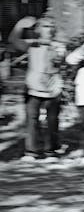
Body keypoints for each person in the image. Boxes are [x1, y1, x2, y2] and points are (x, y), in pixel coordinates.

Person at [9, 15, 65, 160]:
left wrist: (53, 50)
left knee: (52, 121)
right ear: (38, 29)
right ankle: (31, 151)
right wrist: (20, 25)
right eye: (46, 26)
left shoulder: (58, 46)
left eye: (52, 26)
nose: (50, 29)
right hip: (33, 88)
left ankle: (50, 151)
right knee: (32, 120)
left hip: (52, 89)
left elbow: (57, 61)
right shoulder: (32, 44)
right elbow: (13, 40)